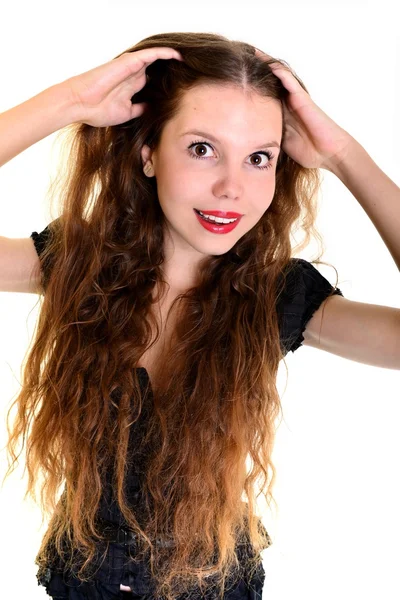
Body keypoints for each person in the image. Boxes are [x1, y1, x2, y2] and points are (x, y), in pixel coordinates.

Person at [1, 31, 399, 600]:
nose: (231, 188)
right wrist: (67, 104)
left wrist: (343, 156)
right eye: (202, 148)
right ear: (148, 153)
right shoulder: (78, 265)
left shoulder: (276, 297)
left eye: (258, 158)